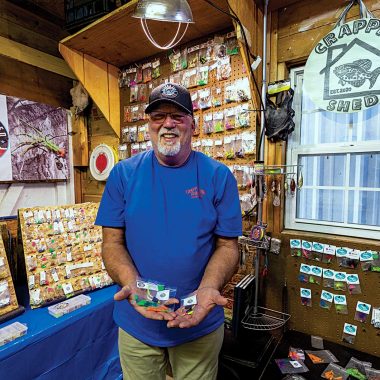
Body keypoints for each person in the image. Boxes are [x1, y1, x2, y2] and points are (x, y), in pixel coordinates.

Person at [95, 82, 242, 380]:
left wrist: (208, 288)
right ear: (148, 124)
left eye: (178, 116)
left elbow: (228, 246)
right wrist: (131, 283)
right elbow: (111, 243)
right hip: (138, 323)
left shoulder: (219, 177)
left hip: (198, 323)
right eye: (158, 116)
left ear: (193, 124)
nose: (168, 124)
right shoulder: (123, 175)